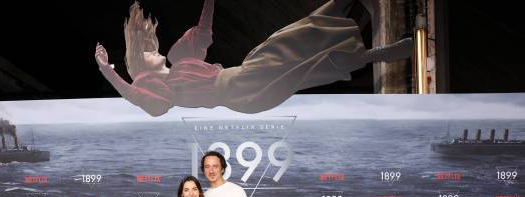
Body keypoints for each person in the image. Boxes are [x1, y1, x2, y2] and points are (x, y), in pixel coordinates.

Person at [95, 0, 412, 117]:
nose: (158, 52)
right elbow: (136, 95)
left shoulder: (180, 60)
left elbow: (204, 30)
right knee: (299, 59)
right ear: (143, 73)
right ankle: (376, 54)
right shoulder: (165, 94)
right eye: (150, 53)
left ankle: (348, 15)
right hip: (240, 90)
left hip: (241, 76)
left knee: (295, 45)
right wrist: (109, 72)